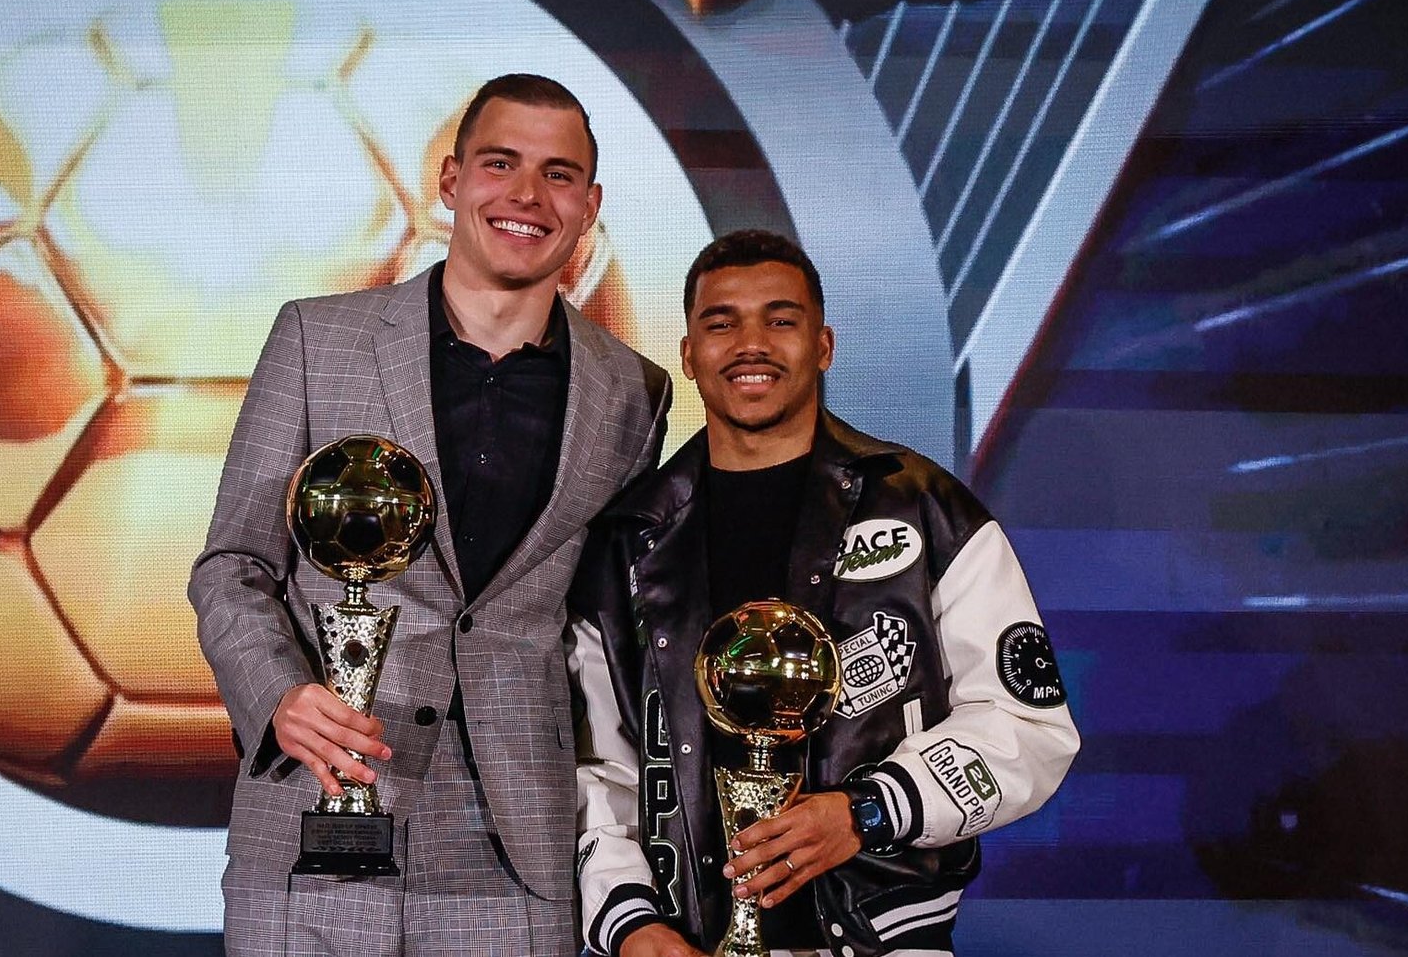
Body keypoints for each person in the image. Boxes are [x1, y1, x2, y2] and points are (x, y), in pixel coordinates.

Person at [189, 73, 670, 957]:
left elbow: (605, 629)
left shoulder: (633, 393)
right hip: (315, 816)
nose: (528, 195)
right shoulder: (317, 339)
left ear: (590, 206)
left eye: (559, 175)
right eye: (501, 163)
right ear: (451, 181)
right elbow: (233, 567)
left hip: (516, 849)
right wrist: (279, 696)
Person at [569, 230, 1079, 957]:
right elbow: (596, 770)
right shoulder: (627, 542)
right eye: (721, 323)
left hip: (884, 938)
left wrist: (867, 812)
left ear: (824, 345)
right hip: (690, 942)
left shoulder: (925, 510)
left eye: (780, 320)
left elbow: (1028, 729)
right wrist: (631, 922)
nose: (751, 344)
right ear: (688, 353)